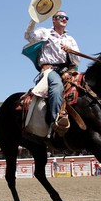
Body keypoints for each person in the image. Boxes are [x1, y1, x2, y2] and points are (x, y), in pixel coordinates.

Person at [24, 10, 80, 138]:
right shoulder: (45, 32)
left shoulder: (70, 39)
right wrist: (34, 19)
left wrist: (70, 51)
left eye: (66, 17)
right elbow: (28, 36)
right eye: (61, 17)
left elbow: (77, 59)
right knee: (57, 86)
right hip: (50, 70)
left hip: (67, 70)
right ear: (53, 20)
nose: (64, 19)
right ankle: (55, 121)